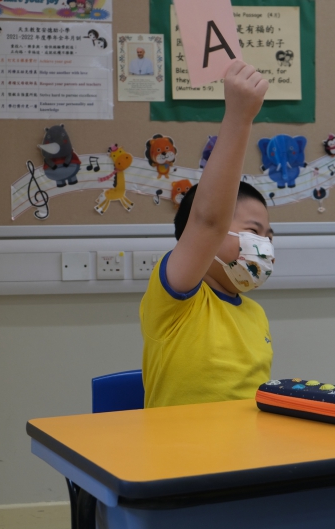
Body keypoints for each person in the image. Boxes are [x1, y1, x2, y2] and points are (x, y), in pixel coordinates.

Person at [141, 60, 271, 408]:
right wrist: (240, 117)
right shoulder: (176, 300)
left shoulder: (256, 314)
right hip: (181, 444)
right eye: (253, 231)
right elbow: (208, 222)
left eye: (269, 236)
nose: (265, 246)